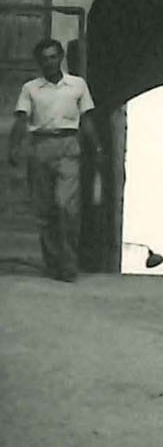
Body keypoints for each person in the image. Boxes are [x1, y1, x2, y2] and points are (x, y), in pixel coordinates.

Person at [8, 39, 98, 282]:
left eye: (53, 57)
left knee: (65, 207)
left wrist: (96, 147)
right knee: (45, 210)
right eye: (45, 58)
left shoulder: (77, 85)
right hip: (40, 147)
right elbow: (21, 119)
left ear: (61, 58)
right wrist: (14, 146)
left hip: (69, 145)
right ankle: (53, 263)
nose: (50, 62)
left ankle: (68, 265)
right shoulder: (31, 88)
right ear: (39, 62)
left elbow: (87, 118)